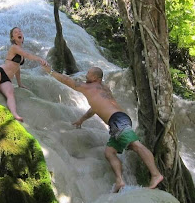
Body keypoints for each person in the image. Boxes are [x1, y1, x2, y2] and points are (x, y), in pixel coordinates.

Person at [41, 64, 164, 192]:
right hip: (119, 120)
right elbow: (95, 108)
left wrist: (50, 71)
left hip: (117, 120)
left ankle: (156, 174)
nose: (86, 75)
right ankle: (120, 181)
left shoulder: (89, 86)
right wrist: (81, 120)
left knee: (136, 145)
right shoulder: (103, 89)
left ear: (95, 77)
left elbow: (68, 81)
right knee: (109, 152)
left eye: (88, 73)